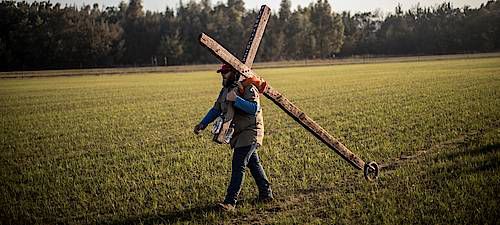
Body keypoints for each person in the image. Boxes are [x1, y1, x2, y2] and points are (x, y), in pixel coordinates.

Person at [194, 64, 273, 211]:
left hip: (251, 131)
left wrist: (236, 99)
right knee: (253, 163)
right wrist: (202, 124)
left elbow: (253, 108)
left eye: (226, 72)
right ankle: (266, 193)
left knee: (238, 164)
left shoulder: (248, 87)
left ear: (235, 73)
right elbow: (216, 109)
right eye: (221, 73)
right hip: (238, 133)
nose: (223, 75)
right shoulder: (225, 90)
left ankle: (230, 202)